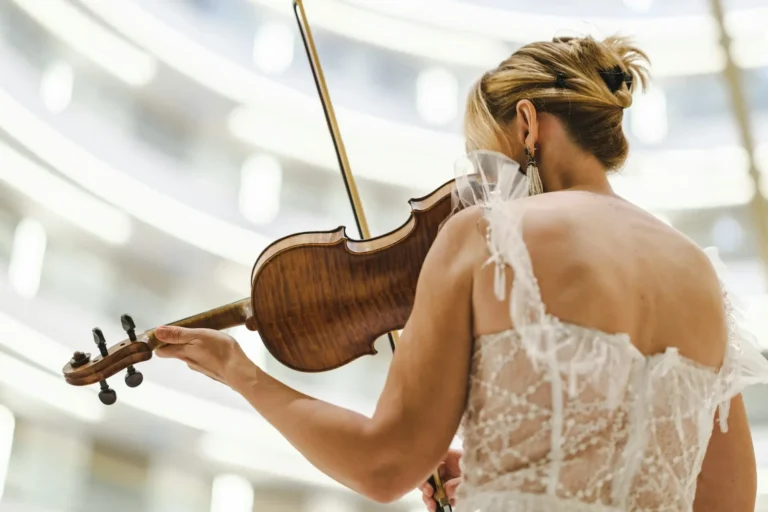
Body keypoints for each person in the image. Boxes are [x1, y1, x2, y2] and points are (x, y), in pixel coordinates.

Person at [152, 35, 768, 511]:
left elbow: (382, 466)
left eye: (485, 160)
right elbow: (728, 503)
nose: (481, 188)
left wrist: (241, 373)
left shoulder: (488, 234)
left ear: (527, 124)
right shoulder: (700, 279)